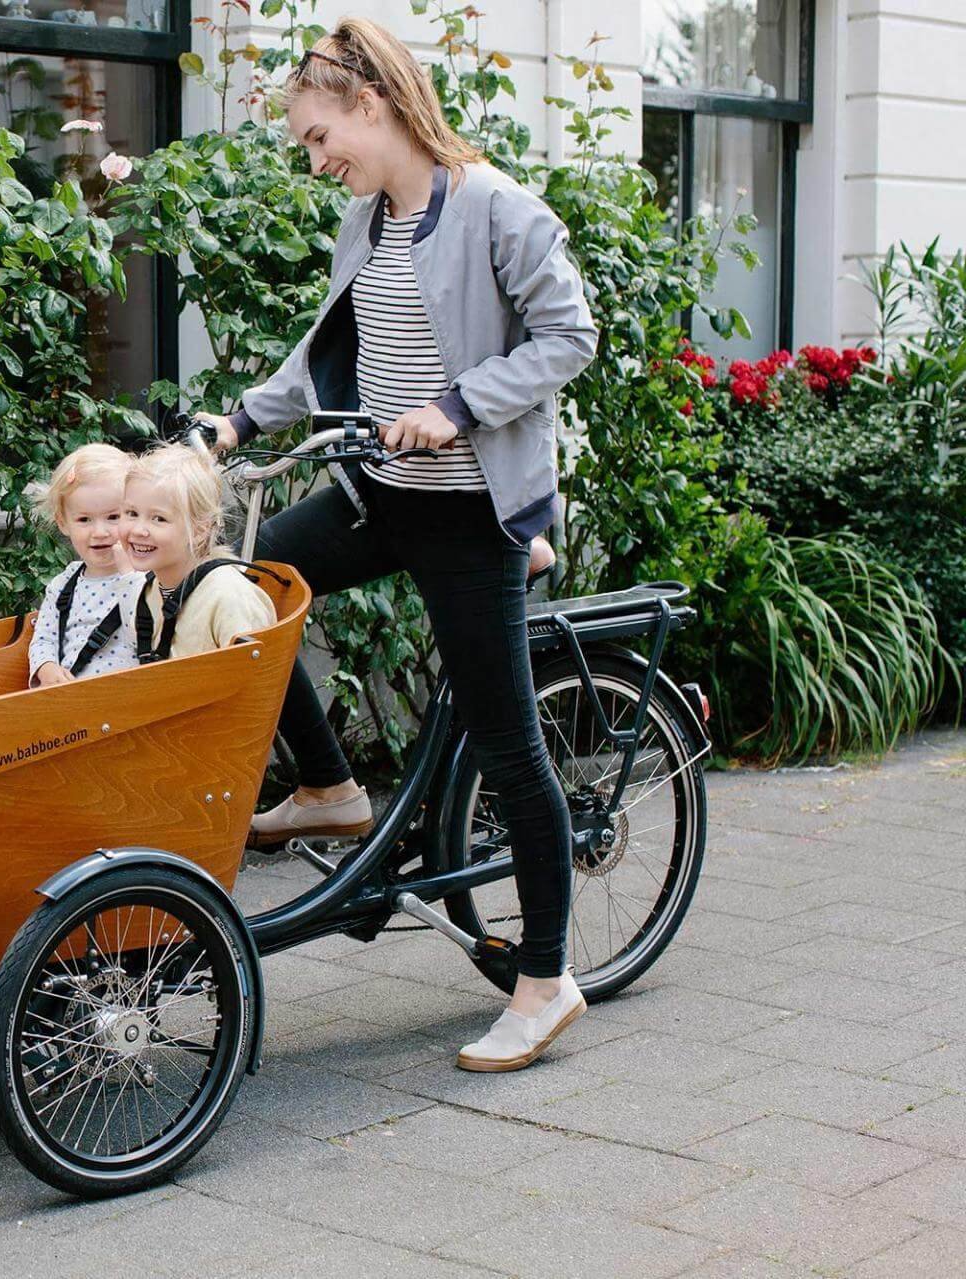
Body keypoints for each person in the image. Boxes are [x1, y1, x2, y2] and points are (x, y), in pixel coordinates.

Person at [195, 17, 596, 1071]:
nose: (318, 159)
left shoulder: (500, 210)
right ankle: (330, 787)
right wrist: (236, 422)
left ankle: (546, 981)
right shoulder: (368, 223)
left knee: (510, 748)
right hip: (380, 491)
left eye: (324, 137)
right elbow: (332, 348)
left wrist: (458, 405)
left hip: (468, 512)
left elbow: (570, 337)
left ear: (372, 105)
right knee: (242, 587)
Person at [124, 444, 277, 658]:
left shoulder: (229, 596)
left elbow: (256, 682)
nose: (138, 530)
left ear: (199, 530)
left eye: (159, 518)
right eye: (131, 513)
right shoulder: (148, 590)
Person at [27, 443, 147, 688]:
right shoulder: (64, 583)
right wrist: (46, 667)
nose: (100, 532)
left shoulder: (146, 575)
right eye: (84, 520)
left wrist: (129, 576)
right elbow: (44, 638)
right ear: (63, 523)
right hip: (72, 703)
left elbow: (145, 635)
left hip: (129, 701)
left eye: (114, 517)